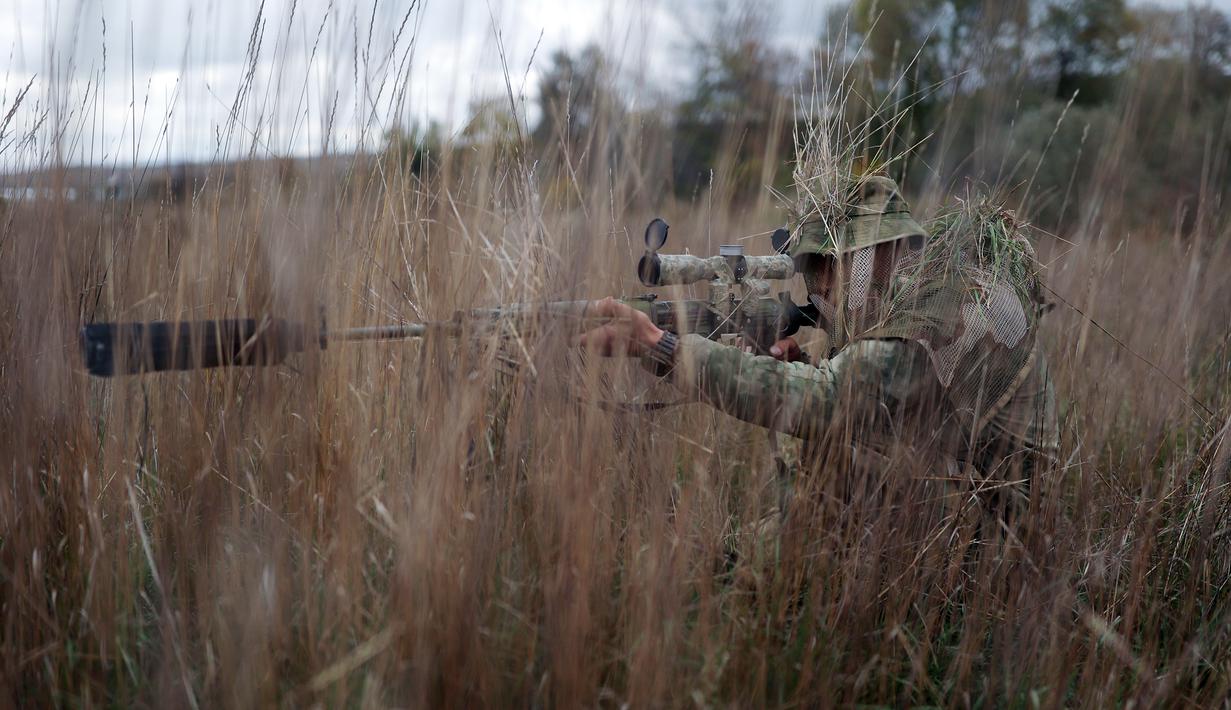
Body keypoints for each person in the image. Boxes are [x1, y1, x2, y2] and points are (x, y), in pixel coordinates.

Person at [580, 175, 1058, 516]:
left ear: (872, 254)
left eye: (827, 266)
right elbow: (895, 404)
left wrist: (663, 346)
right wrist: (803, 363)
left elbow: (829, 400)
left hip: (1002, 524)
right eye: (811, 270)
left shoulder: (933, 314)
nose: (819, 286)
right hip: (983, 489)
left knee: (845, 460)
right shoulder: (940, 284)